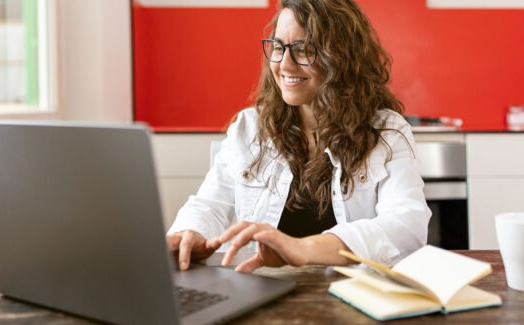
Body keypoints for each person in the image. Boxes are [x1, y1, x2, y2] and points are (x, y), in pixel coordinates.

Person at [166, 0, 431, 273]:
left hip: (355, 296)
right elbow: (210, 204)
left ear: (342, 57)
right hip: (262, 296)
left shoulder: (387, 131)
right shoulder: (249, 127)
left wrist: (304, 249)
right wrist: (190, 232)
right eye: (279, 48)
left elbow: (406, 226)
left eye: (304, 50)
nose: (284, 64)